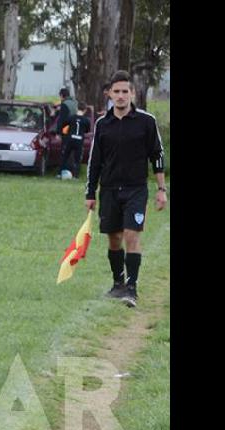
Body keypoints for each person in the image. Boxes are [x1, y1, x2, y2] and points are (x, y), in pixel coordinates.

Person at [84, 71, 167, 308]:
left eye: (125, 91)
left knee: (131, 235)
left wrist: (161, 189)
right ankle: (118, 283)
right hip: (109, 189)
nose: (120, 96)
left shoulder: (146, 121)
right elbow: (94, 162)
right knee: (114, 238)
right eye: (116, 92)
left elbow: (157, 155)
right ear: (109, 94)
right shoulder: (102, 124)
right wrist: (90, 193)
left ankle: (132, 288)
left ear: (132, 93)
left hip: (136, 189)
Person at [58, 103, 91, 180]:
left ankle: (60, 173)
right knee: (77, 159)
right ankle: (75, 176)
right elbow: (87, 130)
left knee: (65, 156)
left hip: (70, 139)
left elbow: (64, 124)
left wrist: (66, 131)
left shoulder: (71, 117)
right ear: (85, 110)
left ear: (77, 108)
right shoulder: (86, 120)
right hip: (79, 141)